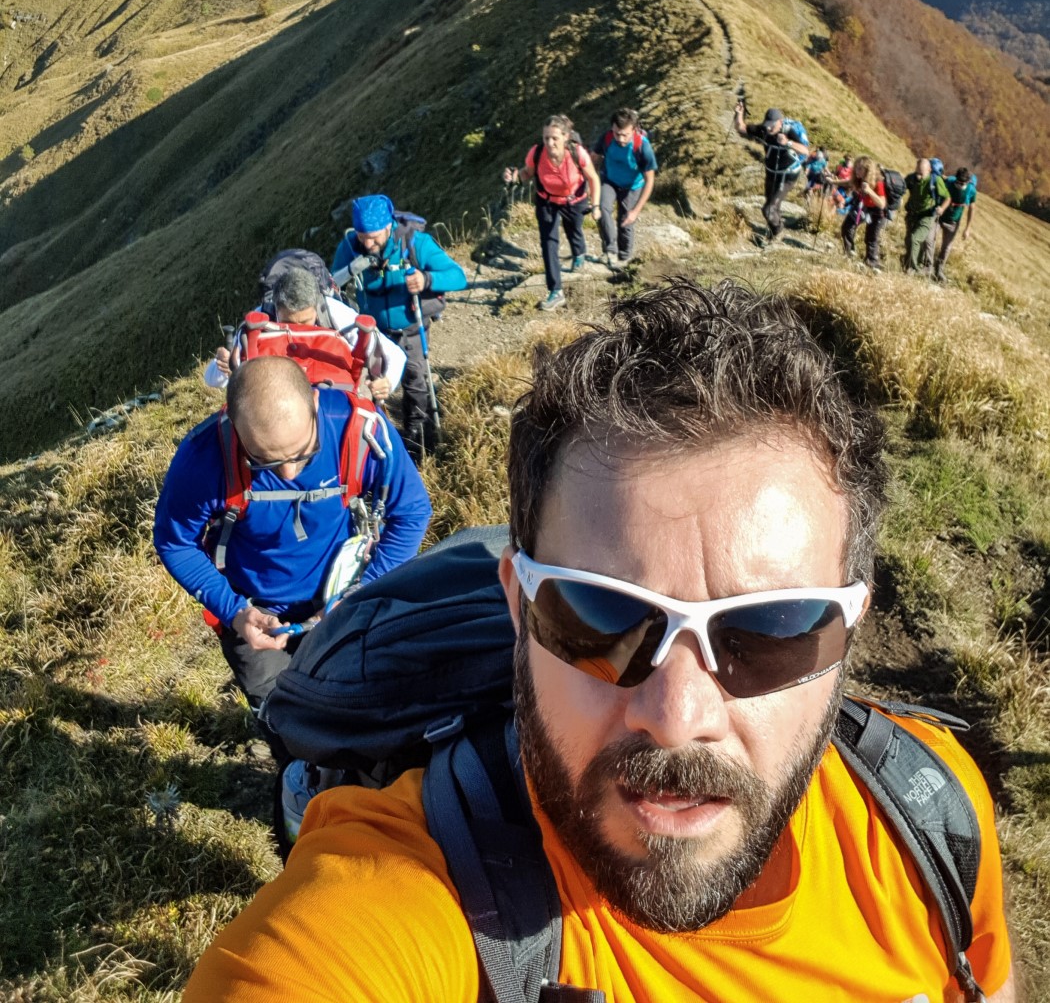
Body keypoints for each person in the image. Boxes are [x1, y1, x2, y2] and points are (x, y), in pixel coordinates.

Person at [185, 280, 1014, 1002]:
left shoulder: (931, 813)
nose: (677, 714)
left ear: (849, 628)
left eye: (770, 630)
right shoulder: (412, 892)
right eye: (600, 618)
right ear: (518, 606)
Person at [154, 357, 430, 731]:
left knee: (359, 713)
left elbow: (411, 513)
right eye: (264, 460)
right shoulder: (203, 460)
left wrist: (363, 590)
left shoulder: (360, 431)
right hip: (254, 612)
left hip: (344, 598)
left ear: (315, 403)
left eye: (303, 453)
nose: (288, 472)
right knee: (284, 723)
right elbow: (175, 542)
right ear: (235, 429)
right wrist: (235, 612)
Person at [331, 196, 467, 456]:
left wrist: (426, 279)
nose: (367, 244)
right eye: (362, 236)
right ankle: (378, 439)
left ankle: (418, 442)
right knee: (374, 384)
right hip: (374, 332)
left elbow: (458, 276)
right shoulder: (350, 247)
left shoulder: (416, 243)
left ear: (388, 227)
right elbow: (331, 286)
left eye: (373, 237)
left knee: (415, 380)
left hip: (411, 328)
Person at [204, 265, 405, 401]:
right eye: (289, 322)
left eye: (305, 321)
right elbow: (211, 380)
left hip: (328, 398)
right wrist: (223, 365)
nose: (297, 327)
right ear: (276, 306)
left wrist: (387, 381)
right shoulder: (259, 319)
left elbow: (395, 354)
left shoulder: (333, 311)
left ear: (316, 305)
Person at [504, 115, 602, 311]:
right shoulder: (537, 153)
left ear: (565, 137)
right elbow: (527, 173)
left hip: (574, 200)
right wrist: (514, 177)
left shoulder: (577, 153)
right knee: (549, 243)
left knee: (574, 229)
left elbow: (593, 178)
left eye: (554, 138)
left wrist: (596, 205)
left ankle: (579, 252)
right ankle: (556, 291)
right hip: (547, 201)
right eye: (546, 138)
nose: (549, 143)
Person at [590, 108, 658, 267]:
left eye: (625, 135)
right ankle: (610, 251)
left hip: (633, 186)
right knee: (602, 209)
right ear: (612, 129)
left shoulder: (643, 147)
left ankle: (625, 257)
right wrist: (590, 183)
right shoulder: (606, 138)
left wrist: (635, 211)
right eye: (616, 133)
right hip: (610, 181)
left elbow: (650, 180)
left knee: (625, 221)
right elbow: (594, 158)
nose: (620, 138)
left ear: (634, 130)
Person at [734, 104, 810, 243]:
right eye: (767, 124)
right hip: (771, 172)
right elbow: (741, 128)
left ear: (780, 122)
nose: (769, 128)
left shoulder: (789, 131)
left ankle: (778, 232)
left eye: (772, 125)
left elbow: (805, 151)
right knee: (772, 204)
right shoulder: (765, 130)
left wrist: (788, 142)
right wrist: (739, 113)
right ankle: (773, 229)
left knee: (768, 209)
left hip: (788, 175)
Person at [903, 158, 950, 275]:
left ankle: (913, 268)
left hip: (927, 216)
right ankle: (910, 263)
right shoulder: (911, 178)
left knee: (915, 239)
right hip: (912, 215)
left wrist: (942, 208)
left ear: (929, 170)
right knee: (909, 241)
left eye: (921, 173)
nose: (918, 176)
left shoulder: (935, 180)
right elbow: (902, 187)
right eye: (917, 172)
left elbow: (948, 198)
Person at [840, 156, 887, 271]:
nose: (856, 171)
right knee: (847, 226)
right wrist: (832, 181)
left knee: (871, 238)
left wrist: (869, 191)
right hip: (865, 207)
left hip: (878, 212)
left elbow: (882, 204)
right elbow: (848, 183)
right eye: (856, 168)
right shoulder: (859, 179)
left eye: (860, 169)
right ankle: (849, 252)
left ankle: (872, 264)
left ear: (867, 170)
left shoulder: (878, 182)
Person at [935, 167, 978, 283]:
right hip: (939, 217)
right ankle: (926, 264)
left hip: (954, 221)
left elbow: (972, 209)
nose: (959, 185)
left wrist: (967, 229)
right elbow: (942, 178)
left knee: (946, 247)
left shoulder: (971, 190)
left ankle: (938, 270)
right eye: (957, 182)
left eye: (962, 183)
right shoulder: (950, 181)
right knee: (930, 239)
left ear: (968, 182)